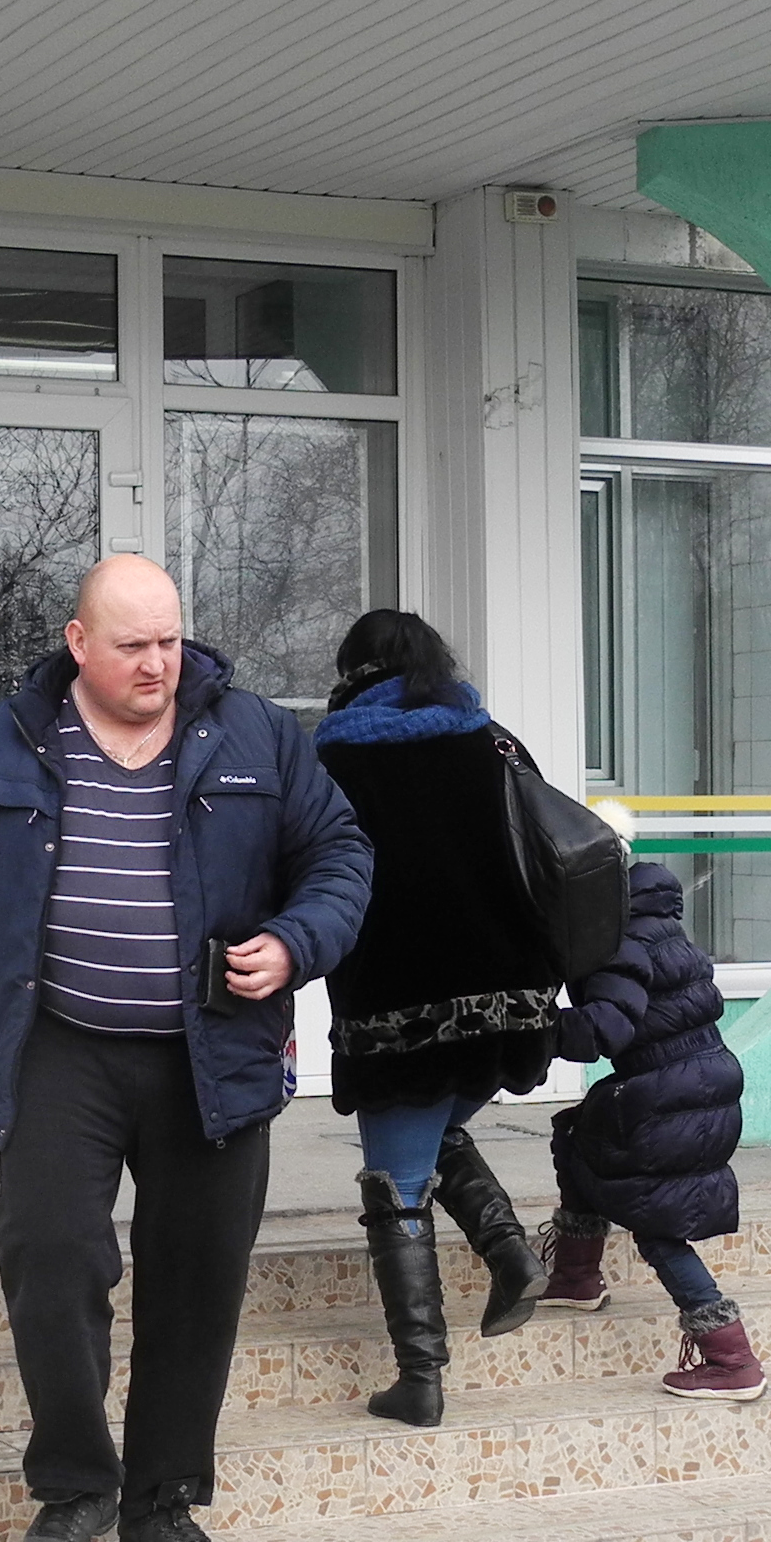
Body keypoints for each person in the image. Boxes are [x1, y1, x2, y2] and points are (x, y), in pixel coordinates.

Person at [0, 555, 369, 1542]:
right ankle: (75, 1482)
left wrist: (296, 941)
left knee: (196, 1278)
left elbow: (341, 854)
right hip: (58, 1046)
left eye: (170, 641)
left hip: (211, 1053)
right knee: (48, 1253)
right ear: (79, 644)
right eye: (132, 645)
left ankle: (162, 1504)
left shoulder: (256, 733)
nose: (158, 664)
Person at [310, 610, 558, 1429]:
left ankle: (421, 1376)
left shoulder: (334, 756)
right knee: (434, 1133)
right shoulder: (491, 739)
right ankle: (510, 1253)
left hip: (398, 1005)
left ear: (354, 673)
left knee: (396, 1182)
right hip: (511, 993)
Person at [541, 860, 763, 1398]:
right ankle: (576, 1275)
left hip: (669, 1093)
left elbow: (603, 1030)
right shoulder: (665, 931)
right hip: (704, 1083)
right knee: (579, 1135)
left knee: (658, 1222)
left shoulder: (623, 941)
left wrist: (530, 1027)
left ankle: (730, 1357)